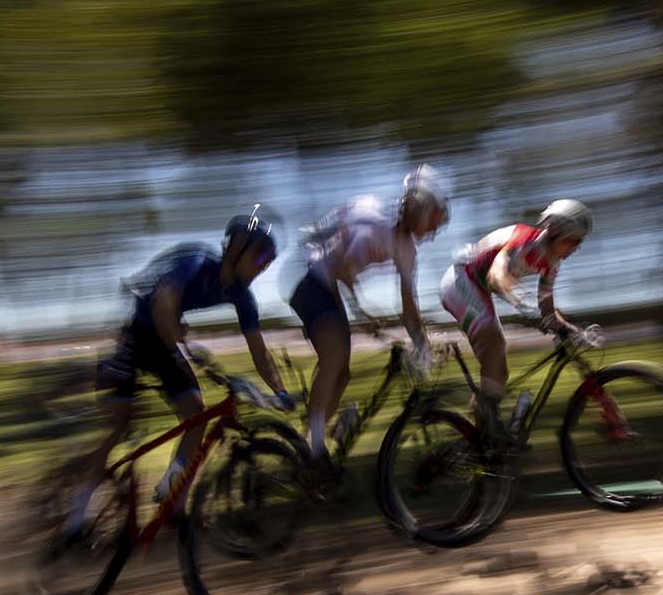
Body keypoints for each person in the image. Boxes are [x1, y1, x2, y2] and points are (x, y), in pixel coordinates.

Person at [63, 207, 294, 537]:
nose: (263, 266)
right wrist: (184, 347)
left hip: (167, 343)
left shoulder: (242, 296)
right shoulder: (197, 262)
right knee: (119, 424)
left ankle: (173, 497)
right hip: (139, 335)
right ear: (237, 245)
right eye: (259, 256)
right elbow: (163, 302)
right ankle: (76, 513)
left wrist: (280, 391)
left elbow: (259, 349)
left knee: (196, 418)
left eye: (268, 261)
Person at [289, 165, 451, 465]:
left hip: (330, 284)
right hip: (309, 278)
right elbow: (340, 265)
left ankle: (314, 439)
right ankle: (314, 448)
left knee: (343, 371)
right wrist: (361, 312)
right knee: (334, 357)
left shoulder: (406, 250)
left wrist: (424, 347)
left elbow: (410, 309)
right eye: (432, 223)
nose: (432, 233)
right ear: (419, 209)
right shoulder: (375, 223)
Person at [439, 198, 594, 439]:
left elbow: (548, 313)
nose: (576, 248)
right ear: (557, 232)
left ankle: (479, 440)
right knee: (495, 342)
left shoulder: (551, 264)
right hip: (460, 281)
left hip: (477, 288)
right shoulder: (524, 240)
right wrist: (520, 303)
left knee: (498, 372)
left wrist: (573, 331)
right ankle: (486, 427)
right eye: (574, 241)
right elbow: (495, 275)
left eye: (580, 243)